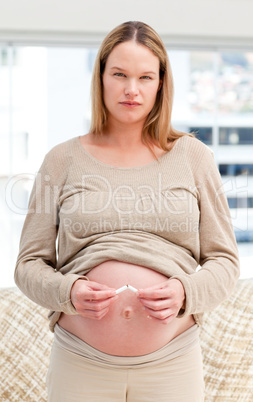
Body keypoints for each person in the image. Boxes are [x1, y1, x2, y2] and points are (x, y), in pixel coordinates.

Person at [15, 21, 240, 401]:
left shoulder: (193, 157)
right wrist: (68, 291)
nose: (131, 89)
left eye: (145, 77)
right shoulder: (62, 160)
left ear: (160, 84)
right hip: (80, 362)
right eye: (119, 74)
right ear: (101, 76)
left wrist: (185, 291)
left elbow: (224, 260)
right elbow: (28, 264)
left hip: (172, 363)